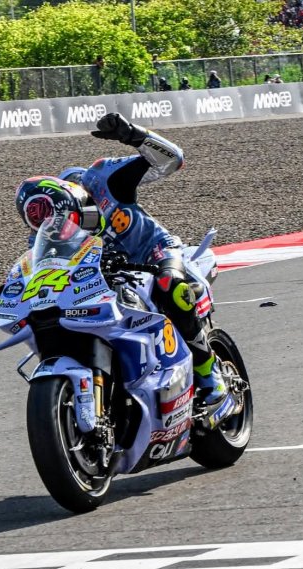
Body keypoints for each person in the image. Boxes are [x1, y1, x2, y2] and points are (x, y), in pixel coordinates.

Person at [66, 113, 231, 421]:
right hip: (109, 280)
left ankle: (213, 381)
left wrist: (132, 134)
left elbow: (173, 160)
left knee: (171, 288)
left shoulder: (102, 179)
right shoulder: (51, 226)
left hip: (155, 255)